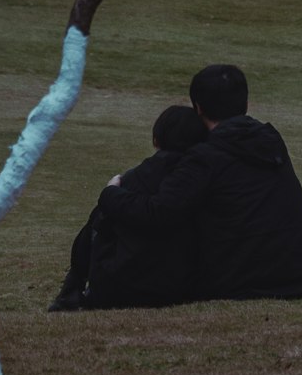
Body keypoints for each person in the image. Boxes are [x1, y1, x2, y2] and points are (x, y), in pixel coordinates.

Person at [96, 63, 302, 303]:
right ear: (245, 104)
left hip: (244, 281)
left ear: (198, 108)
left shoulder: (205, 157)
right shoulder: (270, 140)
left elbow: (159, 213)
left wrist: (111, 193)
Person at [47, 104, 206, 312]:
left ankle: (72, 288)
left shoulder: (131, 181)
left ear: (156, 140)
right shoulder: (203, 179)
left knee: (98, 218)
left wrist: (111, 193)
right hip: (181, 284)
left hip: (120, 286)